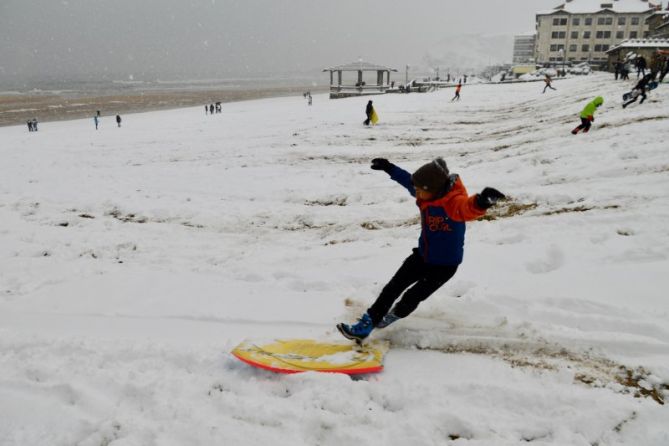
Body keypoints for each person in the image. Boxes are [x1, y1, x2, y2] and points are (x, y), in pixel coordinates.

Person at [337, 158, 505, 342]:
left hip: (444, 266)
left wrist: (480, 203)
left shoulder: (453, 203)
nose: (415, 192)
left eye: (419, 190)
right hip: (422, 256)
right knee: (392, 288)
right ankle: (367, 325)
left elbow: (467, 208)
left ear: (432, 190)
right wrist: (389, 167)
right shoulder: (426, 192)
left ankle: (392, 316)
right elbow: (408, 180)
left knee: (411, 297)